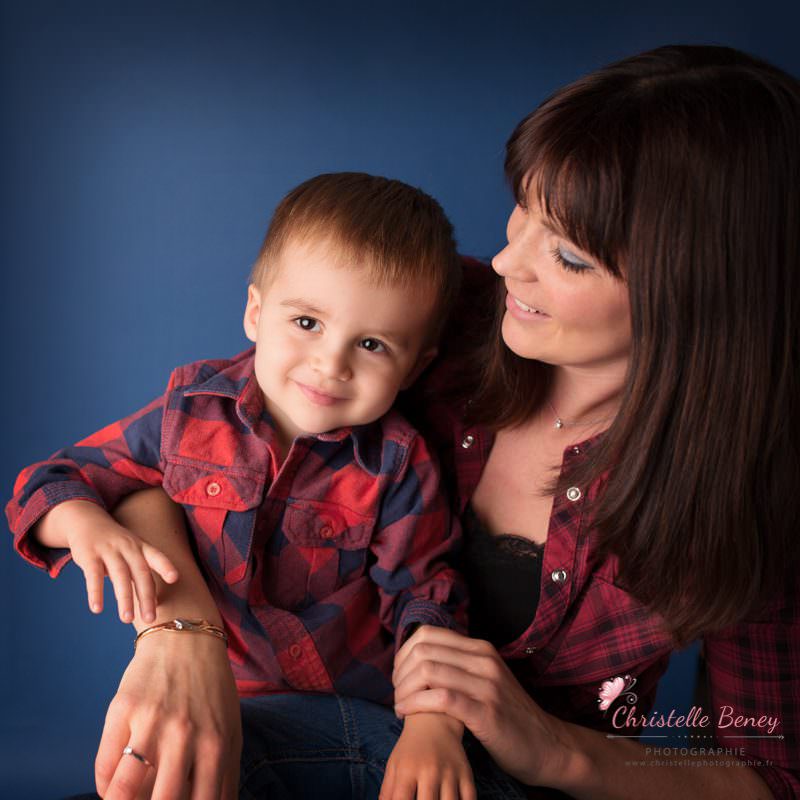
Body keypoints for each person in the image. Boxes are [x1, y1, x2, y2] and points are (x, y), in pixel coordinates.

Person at [14, 43, 800, 799]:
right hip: (314, 732)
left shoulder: (756, 491)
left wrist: (564, 750)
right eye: (521, 210)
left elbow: (771, 773)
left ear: (698, 299)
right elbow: (185, 453)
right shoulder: (432, 318)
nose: (506, 264)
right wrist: (180, 630)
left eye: (569, 258)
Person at [6, 173, 476, 798]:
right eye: (307, 322)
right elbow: (51, 480)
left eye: (371, 344)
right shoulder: (191, 412)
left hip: (358, 716)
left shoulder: (395, 462)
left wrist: (433, 726)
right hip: (221, 703)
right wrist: (85, 524)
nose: (331, 365)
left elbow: (427, 601)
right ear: (255, 311)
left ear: (414, 366)